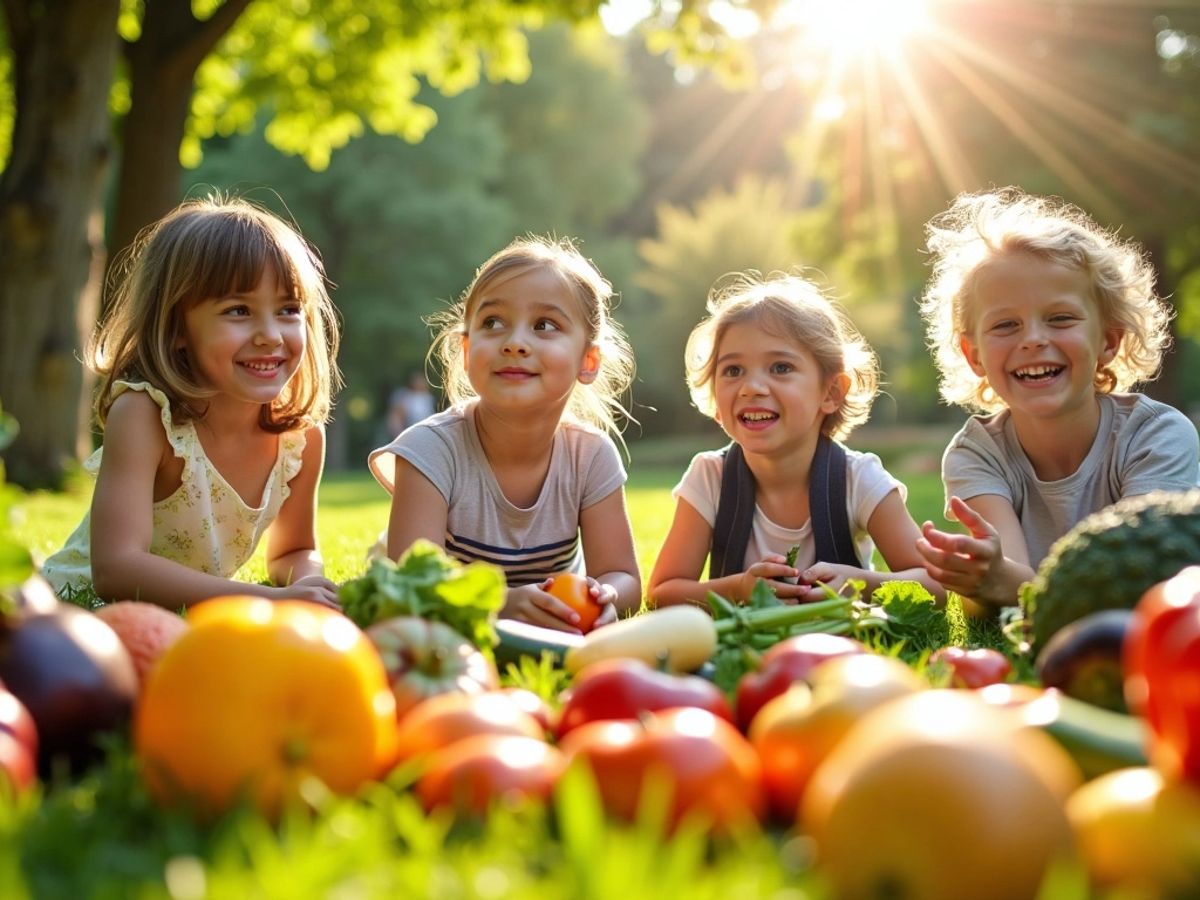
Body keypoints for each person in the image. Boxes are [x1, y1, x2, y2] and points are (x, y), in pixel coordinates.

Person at [42, 196, 343, 609]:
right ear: (176, 328)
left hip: (186, 622)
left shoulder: (300, 437)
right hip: (82, 616)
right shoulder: (146, 417)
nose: (270, 335)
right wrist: (264, 600)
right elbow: (116, 568)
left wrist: (310, 590)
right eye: (239, 310)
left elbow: (292, 552)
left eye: (288, 309)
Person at [915, 187, 1200, 610]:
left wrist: (1006, 585)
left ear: (1108, 340)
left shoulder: (1157, 435)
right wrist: (988, 574)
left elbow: (1137, 576)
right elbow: (1005, 574)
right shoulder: (977, 454)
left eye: (1060, 318)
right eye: (1006, 325)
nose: (1033, 339)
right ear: (973, 355)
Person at [368, 236, 640, 632]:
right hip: (445, 599)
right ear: (466, 350)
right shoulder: (430, 450)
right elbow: (411, 588)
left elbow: (624, 577)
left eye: (545, 325)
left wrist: (605, 596)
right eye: (493, 323)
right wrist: (502, 604)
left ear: (588, 360)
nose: (514, 343)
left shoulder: (591, 456)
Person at [648, 272, 944, 609]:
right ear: (715, 399)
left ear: (831, 392)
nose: (751, 387)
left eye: (780, 367)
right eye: (733, 371)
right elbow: (662, 593)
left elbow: (934, 585)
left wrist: (862, 585)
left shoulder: (858, 479)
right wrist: (738, 589)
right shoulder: (710, 478)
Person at [385, 370, 436, 436]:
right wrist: (399, 435)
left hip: (426, 433)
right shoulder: (404, 396)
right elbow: (395, 418)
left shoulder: (428, 397)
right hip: (409, 434)